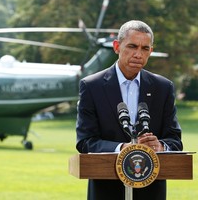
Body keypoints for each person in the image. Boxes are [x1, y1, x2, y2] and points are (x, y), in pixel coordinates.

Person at [76, 20, 183, 200]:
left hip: (151, 190)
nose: (138, 54)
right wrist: (125, 148)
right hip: (106, 189)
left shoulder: (163, 87)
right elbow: (85, 142)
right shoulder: (91, 86)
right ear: (117, 46)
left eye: (145, 48)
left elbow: (175, 140)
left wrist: (160, 146)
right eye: (132, 46)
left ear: (151, 51)